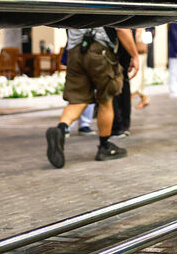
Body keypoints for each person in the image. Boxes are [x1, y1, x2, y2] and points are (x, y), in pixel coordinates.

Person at [44, 27, 138, 168]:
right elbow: (122, 29)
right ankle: (104, 146)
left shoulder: (73, 3)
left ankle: (60, 130)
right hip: (100, 50)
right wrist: (134, 55)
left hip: (75, 51)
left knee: (77, 100)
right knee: (106, 100)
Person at [131, 28, 149, 109]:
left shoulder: (138, 27)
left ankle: (127, 104)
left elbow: (137, 35)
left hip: (137, 52)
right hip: (141, 52)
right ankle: (144, 98)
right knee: (139, 75)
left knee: (134, 77)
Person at [167, 22, 177, 98]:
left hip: (175, 51)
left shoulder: (174, 22)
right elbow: (175, 37)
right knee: (176, 71)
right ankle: (174, 90)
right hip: (175, 52)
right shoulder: (175, 22)